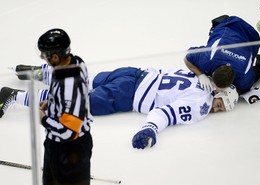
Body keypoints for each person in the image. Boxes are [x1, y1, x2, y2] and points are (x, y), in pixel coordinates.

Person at [0, 66, 238, 149]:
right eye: (219, 105)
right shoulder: (201, 105)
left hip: (132, 73)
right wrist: (150, 129)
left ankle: (44, 72)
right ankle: (14, 96)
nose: (215, 109)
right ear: (219, 92)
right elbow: (163, 113)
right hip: (127, 94)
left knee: (85, 79)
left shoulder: (200, 77)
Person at [36, 29, 93, 185]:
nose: (42, 58)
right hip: (55, 146)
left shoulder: (71, 81)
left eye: (44, 55)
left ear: (55, 55)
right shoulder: (74, 62)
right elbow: (67, 102)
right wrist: (51, 103)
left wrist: (44, 119)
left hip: (71, 151)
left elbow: (69, 131)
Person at [184, 15, 260, 103]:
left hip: (250, 36)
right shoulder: (208, 60)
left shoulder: (243, 79)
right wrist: (201, 75)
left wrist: (236, 92)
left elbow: (188, 57)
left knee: (252, 78)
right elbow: (187, 57)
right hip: (236, 27)